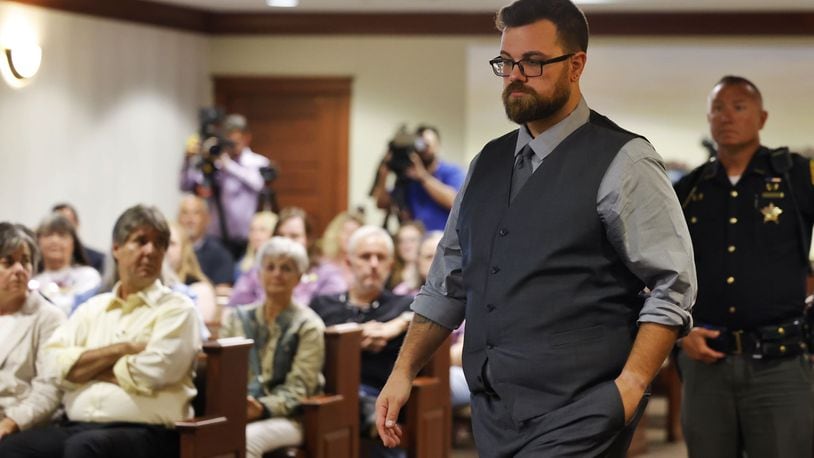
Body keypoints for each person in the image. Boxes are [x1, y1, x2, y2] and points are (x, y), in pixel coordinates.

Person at [374, 1, 697, 456]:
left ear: (576, 65)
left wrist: (632, 384)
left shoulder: (625, 161)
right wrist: (403, 371)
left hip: (581, 408)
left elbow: (673, 282)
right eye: (506, 62)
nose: (515, 75)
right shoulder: (486, 163)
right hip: (495, 411)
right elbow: (448, 283)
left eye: (534, 62)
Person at [674, 76, 814, 457]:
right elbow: (661, 272)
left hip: (780, 365)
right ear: (708, 116)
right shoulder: (688, 189)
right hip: (705, 365)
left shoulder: (795, 175)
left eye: (739, 106)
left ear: (762, 117)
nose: (727, 116)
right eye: (718, 108)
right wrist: (679, 333)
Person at [0, 205, 201, 458]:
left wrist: (85, 369)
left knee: (84, 448)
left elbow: (154, 372)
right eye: (141, 241)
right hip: (80, 426)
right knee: (13, 448)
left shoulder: (178, 309)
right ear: (116, 248)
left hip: (149, 430)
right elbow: (55, 365)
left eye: (159, 243)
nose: (150, 251)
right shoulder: (92, 309)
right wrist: (123, 350)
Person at [310, 225, 412, 457]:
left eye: (381, 257)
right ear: (348, 263)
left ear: (390, 264)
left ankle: (370, 415)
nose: (373, 264)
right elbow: (306, 342)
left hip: (382, 396)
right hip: (327, 393)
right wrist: (352, 339)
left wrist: (396, 325)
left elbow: (430, 316)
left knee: (382, 417)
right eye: (366, 257)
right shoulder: (323, 305)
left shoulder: (403, 306)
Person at [220, 237, 325, 458]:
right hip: (238, 411)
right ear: (258, 274)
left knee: (245, 440)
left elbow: (301, 388)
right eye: (270, 267)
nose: (277, 274)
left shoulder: (308, 325)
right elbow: (221, 373)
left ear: (298, 278)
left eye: (286, 268)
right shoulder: (237, 319)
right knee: (205, 435)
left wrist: (262, 408)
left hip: (289, 418)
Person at [0, 223, 65, 441]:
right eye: (8, 262)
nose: (19, 270)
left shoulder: (48, 318)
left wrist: (10, 423)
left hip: (25, 426)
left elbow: (50, 388)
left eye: (25, 261)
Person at [180, 114, 270, 259]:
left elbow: (258, 184)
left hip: (246, 240)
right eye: (228, 139)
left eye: (236, 140)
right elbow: (186, 186)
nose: (231, 145)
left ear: (247, 138)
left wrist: (228, 166)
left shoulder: (257, 162)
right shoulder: (215, 163)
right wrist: (188, 160)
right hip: (216, 239)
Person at [229, 207, 346, 308]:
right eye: (281, 235)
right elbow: (234, 308)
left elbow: (332, 312)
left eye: (294, 236)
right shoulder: (257, 271)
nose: (286, 242)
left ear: (308, 240)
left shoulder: (327, 274)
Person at [373, 125, 465, 231]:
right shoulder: (408, 177)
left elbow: (455, 202)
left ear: (438, 146)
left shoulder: (451, 171)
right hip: (415, 241)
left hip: (442, 239)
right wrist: (383, 175)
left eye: (428, 145)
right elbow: (382, 204)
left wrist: (423, 177)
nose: (424, 150)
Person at [33, 213, 101, 316]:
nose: (55, 241)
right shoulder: (32, 281)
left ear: (73, 243)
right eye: (48, 235)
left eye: (62, 235)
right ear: (38, 242)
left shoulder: (88, 276)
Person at [177, 193, 235, 296]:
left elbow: (223, 292)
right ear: (178, 218)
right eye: (185, 213)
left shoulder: (220, 253)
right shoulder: (169, 250)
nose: (190, 219)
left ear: (207, 218)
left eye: (196, 213)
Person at [166, 222, 218, 327]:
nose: (165, 249)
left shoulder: (200, 289)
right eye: (160, 243)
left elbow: (198, 333)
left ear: (185, 249)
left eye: (171, 243)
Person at [51, 203, 105, 274]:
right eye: (57, 224)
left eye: (67, 223)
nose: (63, 229)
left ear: (77, 224)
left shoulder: (98, 260)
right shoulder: (40, 262)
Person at [318, 210, 365, 286]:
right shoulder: (322, 265)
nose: (350, 237)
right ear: (336, 234)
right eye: (347, 232)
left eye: (355, 233)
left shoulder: (365, 266)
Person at [235, 211, 278, 283]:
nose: (256, 234)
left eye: (262, 230)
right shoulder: (242, 263)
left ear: (274, 233)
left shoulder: (280, 264)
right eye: (252, 229)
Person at [388, 221, 425, 292]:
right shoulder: (390, 274)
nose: (407, 245)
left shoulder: (429, 273)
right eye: (402, 241)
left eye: (412, 240)